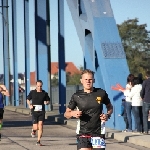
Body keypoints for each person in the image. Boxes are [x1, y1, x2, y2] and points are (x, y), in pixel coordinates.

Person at [64, 69, 113, 150]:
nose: (88, 81)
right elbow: (66, 114)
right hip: (83, 133)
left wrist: (108, 115)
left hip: (98, 133)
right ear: (81, 81)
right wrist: (73, 113)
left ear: (93, 80)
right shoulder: (76, 96)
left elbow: (110, 107)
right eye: (86, 79)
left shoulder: (101, 93)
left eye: (90, 79)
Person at [26, 80, 50, 145]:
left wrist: (46, 102)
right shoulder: (32, 92)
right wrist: (29, 105)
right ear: (36, 85)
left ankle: (38, 141)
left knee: (41, 125)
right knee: (36, 127)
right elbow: (28, 99)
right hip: (34, 111)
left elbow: (48, 101)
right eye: (38, 86)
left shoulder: (44, 93)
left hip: (41, 112)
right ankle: (33, 130)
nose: (39, 87)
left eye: (40, 86)